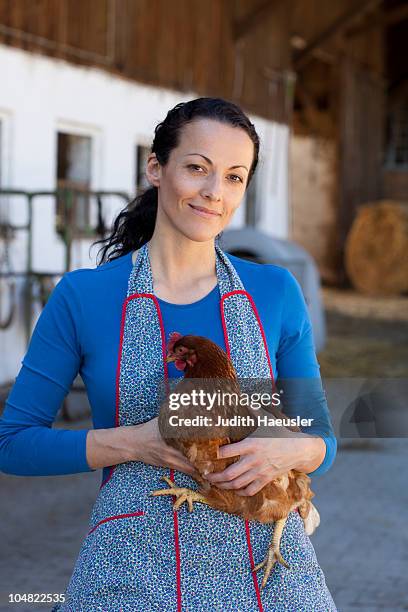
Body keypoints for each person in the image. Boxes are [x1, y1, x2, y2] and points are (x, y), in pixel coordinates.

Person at [0, 97, 337, 611]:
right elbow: (13, 443)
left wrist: (290, 449)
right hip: (132, 571)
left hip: (267, 568)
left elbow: (323, 439)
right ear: (156, 168)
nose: (213, 193)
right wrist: (133, 443)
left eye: (233, 177)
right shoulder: (84, 297)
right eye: (197, 168)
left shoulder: (275, 292)